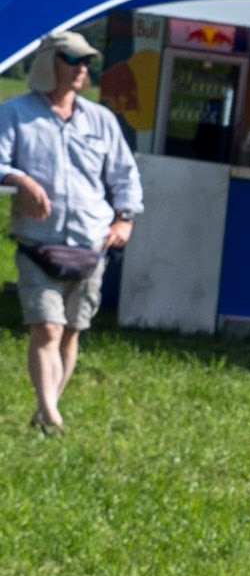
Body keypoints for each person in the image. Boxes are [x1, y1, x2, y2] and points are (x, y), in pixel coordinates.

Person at [4, 30, 140, 436]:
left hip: (91, 243)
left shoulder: (101, 119)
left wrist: (125, 220)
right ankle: (52, 414)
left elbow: (125, 175)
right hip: (37, 241)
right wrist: (19, 179)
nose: (83, 69)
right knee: (46, 327)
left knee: (71, 332)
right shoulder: (14, 113)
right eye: (73, 60)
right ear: (49, 62)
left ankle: (46, 411)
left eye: (87, 62)